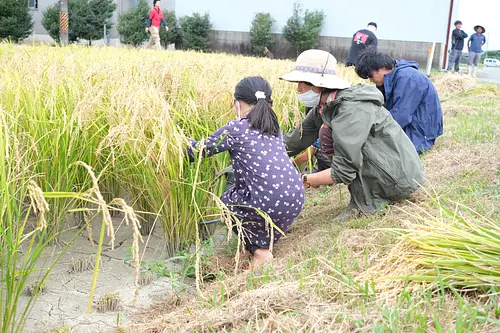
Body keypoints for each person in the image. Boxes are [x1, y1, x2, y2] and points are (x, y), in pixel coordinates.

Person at [282, 49, 424, 221]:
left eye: (301, 83)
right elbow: (297, 139)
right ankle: (364, 196)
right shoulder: (325, 107)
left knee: (335, 139)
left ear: (317, 84)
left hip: (396, 177)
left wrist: (302, 179)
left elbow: (344, 169)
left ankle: (370, 199)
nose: (298, 89)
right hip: (385, 169)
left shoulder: (351, 109)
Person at [186, 77, 305, 268]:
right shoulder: (274, 129)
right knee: (252, 193)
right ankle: (261, 246)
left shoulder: (235, 129)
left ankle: (260, 254)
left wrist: (176, 141)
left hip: (270, 204)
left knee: (227, 201)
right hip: (295, 200)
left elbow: (197, 152)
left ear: (237, 103)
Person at [355, 48, 443, 154]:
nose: (371, 80)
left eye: (370, 76)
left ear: (382, 68)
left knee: (379, 153)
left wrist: (372, 132)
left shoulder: (408, 77)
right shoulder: (391, 77)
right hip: (410, 124)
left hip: (420, 131)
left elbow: (401, 116)